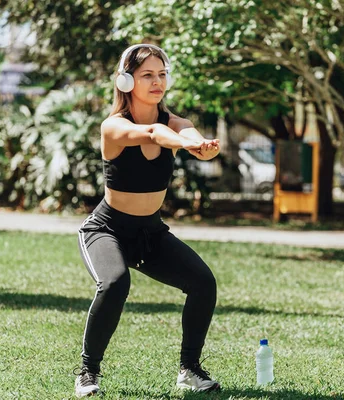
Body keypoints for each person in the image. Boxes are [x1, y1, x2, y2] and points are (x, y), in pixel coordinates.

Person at [74, 43, 221, 397]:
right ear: (126, 81)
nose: (158, 82)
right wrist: (186, 146)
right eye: (147, 75)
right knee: (114, 284)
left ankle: (189, 370)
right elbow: (155, 135)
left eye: (162, 74)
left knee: (203, 283)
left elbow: (186, 131)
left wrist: (200, 144)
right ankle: (87, 372)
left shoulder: (175, 123)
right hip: (106, 229)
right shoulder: (114, 127)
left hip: (150, 233)